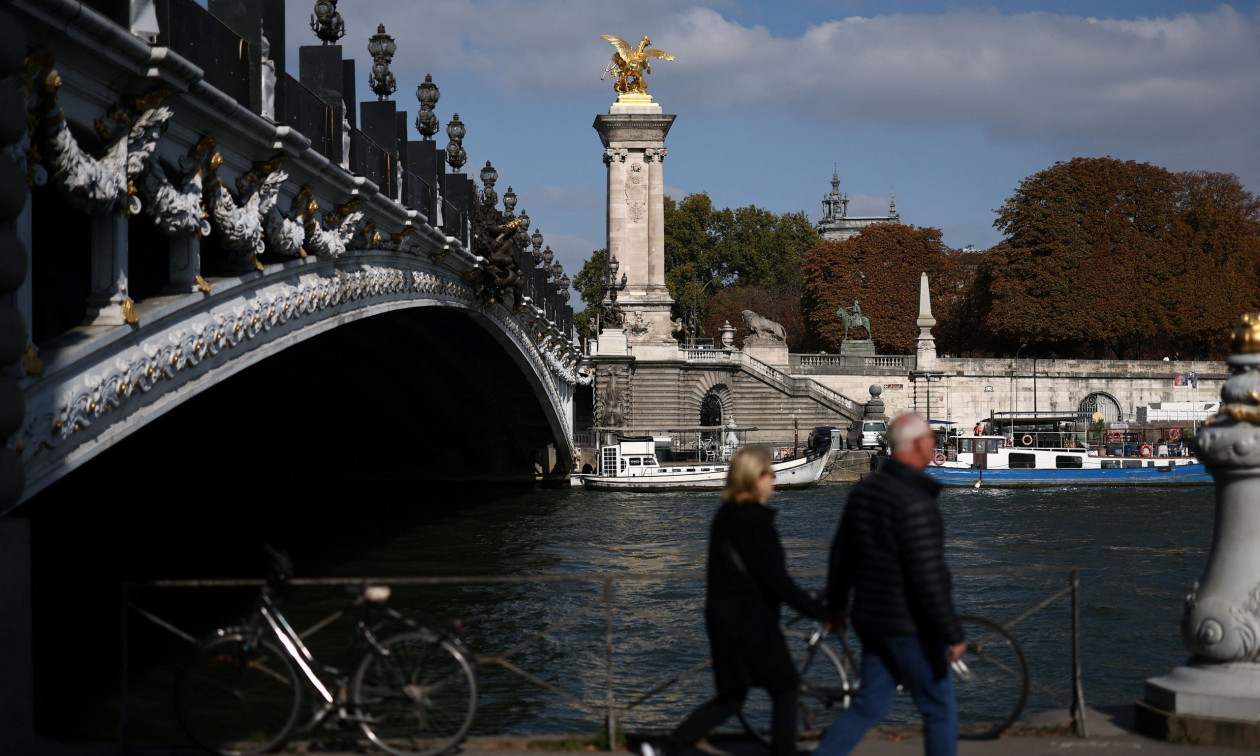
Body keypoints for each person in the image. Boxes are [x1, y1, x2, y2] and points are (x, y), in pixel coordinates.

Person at [642, 446, 826, 756]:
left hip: (722, 620)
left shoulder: (724, 517)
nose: (773, 478)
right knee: (785, 688)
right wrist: (818, 610)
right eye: (768, 473)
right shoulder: (756, 522)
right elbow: (776, 581)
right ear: (754, 479)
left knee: (731, 696)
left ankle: (666, 748)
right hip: (752, 623)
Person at [816, 413, 965, 756]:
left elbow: (841, 556)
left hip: (871, 619)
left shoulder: (864, 491)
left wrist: (836, 608)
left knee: (869, 704)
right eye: (930, 439)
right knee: (939, 708)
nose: (934, 445)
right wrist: (952, 631)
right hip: (910, 624)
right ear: (919, 446)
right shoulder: (915, 502)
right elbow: (927, 574)